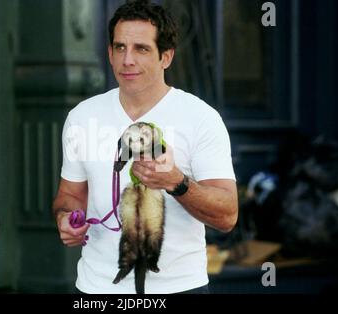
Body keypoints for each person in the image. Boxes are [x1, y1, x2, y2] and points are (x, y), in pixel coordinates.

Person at [53, 0, 238, 294]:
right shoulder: (82, 117)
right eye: (119, 48)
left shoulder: (200, 118)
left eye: (141, 49)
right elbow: (70, 195)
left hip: (179, 289)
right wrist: (67, 218)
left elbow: (227, 215)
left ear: (166, 57)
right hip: (96, 289)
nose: (127, 60)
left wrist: (176, 182)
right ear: (110, 54)